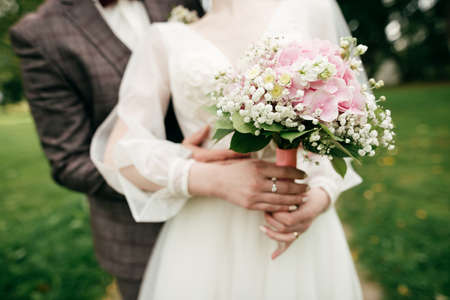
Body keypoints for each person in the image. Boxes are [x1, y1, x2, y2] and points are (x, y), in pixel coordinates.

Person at [10, 1, 330, 299]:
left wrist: (321, 194)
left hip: (293, 223)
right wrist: (190, 168)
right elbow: (70, 159)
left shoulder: (299, 13)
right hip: (162, 233)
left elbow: (331, 126)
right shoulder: (40, 33)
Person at [92, 0, 364, 298]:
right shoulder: (164, 39)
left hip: (300, 225)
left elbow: (341, 119)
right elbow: (117, 156)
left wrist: (322, 194)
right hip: (207, 233)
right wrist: (211, 178)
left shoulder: (313, 9)